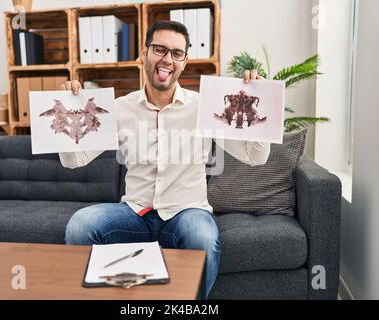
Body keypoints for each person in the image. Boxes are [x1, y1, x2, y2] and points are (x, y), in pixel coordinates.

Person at [59, 20, 270, 299]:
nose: (167, 59)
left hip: (187, 212)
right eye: (159, 49)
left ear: (184, 62)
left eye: (176, 53)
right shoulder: (120, 108)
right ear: (144, 54)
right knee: (80, 225)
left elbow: (254, 156)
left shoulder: (204, 107)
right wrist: (68, 111)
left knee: (203, 238)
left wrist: (262, 100)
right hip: (135, 214)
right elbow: (74, 160)